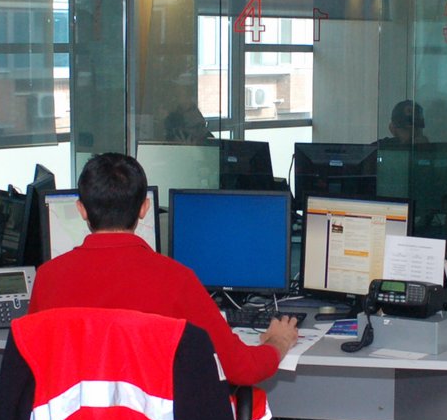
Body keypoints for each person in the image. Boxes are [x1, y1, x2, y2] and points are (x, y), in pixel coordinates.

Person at [29, 153, 299, 384]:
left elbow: (31, 370)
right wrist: (279, 342)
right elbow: (243, 370)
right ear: (145, 208)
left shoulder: (48, 279)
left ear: (81, 210)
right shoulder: (176, 280)